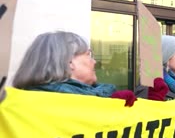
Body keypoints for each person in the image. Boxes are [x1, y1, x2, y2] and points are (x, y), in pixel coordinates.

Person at [11, 31, 165, 104]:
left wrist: (153, 102)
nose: (94, 62)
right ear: (69, 61)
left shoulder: (97, 95)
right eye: (88, 54)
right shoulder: (41, 106)